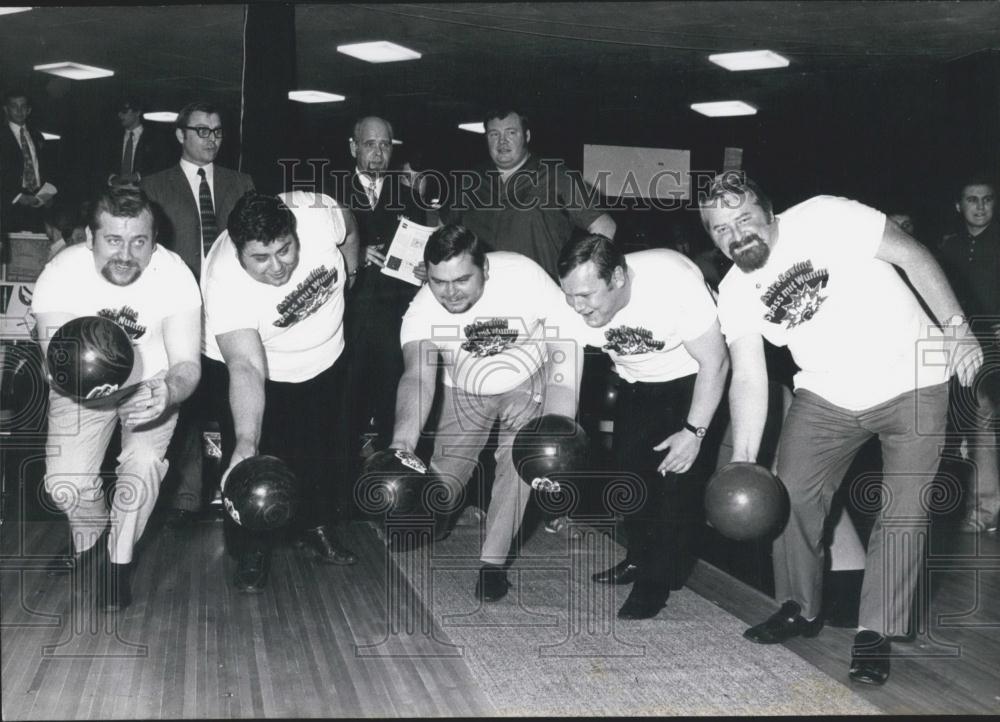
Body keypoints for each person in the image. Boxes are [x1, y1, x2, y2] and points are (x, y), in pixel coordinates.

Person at [699, 173, 983, 686]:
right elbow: (748, 375)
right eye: (720, 229)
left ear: (769, 211)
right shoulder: (735, 289)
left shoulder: (827, 216)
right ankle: (799, 606)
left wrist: (958, 330)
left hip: (914, 380)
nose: (736, 234)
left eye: (743, 219)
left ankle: (873, 631)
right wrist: (743, 459)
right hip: (828, 393)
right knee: (790, 491)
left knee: (904, 512)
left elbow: (914, 256)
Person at [31, 185, 202, 611]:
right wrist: (74, 379)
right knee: (64, 485)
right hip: (82, 387)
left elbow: (186, 364)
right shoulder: (61, 271)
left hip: (152, 384)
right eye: (113, 240)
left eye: (139, 241)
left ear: (153, 242)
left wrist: (168, 392)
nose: (126, 254)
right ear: (89, 239)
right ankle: (87, 537)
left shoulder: (175, 273)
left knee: (142, 465)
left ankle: (117, 562)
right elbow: (57, 359)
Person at [389, 223, 579, 602]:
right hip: (464, 386)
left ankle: (493, 564)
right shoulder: (422, 310)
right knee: (446, 472)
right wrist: (401, 449)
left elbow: (566, 343)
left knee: (516, 464)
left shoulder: (524, 276)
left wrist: (551, 422)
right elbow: (418, 378)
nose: (450, 293)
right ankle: (434, 520)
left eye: (461, 280)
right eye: (439, 282)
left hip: (529, 379)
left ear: (486, 269)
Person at [557, 234, 729, 619]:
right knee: (629, 476)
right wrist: (559, 437)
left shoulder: (673, 278)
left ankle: (656, 580)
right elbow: (565, 379)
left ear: (618, 278)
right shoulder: (571, 300)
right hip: (637, 383)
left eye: (586, 296)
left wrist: (694, 433)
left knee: (676, 483)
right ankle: (637, 558)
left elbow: (715, 363)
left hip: (692, 379)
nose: (577, 306)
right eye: (570, 295)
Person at [202, 190, 358, 593]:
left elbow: (350, 226)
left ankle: (316, 528)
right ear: (238, 252)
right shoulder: (223, 278)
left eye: (285, 250)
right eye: (261, 258)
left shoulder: (317, 212)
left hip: (325, 356)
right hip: (258, 365)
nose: (278, 266)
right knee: (249, 462)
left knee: (321, 451)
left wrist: (353, 271)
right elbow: (247, 365)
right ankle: (250, 551)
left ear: (293, 231)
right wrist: (247, 439)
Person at [142, 101, 255, 527]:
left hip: (230, 308)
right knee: (183, 405)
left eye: (218, 132)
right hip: (178, 311)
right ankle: (186, 500)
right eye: (202, 131)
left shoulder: (241, 182)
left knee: (235, 401)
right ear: (180, 135)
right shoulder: (153, 186)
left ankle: (235, 496)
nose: (211, 140)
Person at [338, 116, 428, 462]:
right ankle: (342, 499)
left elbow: (423, 248)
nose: (377, 153)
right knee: (345, 411)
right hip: (347, 319)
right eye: (369, 144)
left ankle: (391, 490)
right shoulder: (330, 195)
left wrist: (425, 268)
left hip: (394, 320)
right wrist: (354, 253)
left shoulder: (409, 197)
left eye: (385, 145)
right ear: (353, 147)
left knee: (395, 410)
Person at [447, 107, 615, 279]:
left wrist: (586, 275)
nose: (502, 142)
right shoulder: (470, 181)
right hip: (482, 293)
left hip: (540, 291)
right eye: (494, 134)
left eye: (511, 133)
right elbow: (443, 231)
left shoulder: (557, 176)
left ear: (526, 136)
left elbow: (604, 226)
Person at [937, 174, 999, 533]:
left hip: (993, 348)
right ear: (959, 206)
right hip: (959, 349)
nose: (979, 206)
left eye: (987, 199)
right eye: (972, 199)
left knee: (985, 419)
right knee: (962, 424)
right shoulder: (948, 248)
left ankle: (985, 513)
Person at [1, 89, 55, 233]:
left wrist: (47, 194)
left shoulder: (38, 136)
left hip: (38, 203)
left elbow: (48, 168)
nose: (19, 111)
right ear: (6, 109)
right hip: (10, 205)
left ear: (29, 110)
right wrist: (17, 196)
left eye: (23, 106)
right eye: (14, 106)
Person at [103, 96, 172, 187]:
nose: (120, 115)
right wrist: (112, 178)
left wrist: (138, 176)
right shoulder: (111, 139)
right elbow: (102, 165)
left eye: (124, 111)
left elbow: (163, 166)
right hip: (117, 194)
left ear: (138, 112)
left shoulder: (156, 139)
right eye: (118, 111)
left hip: (145, 193)